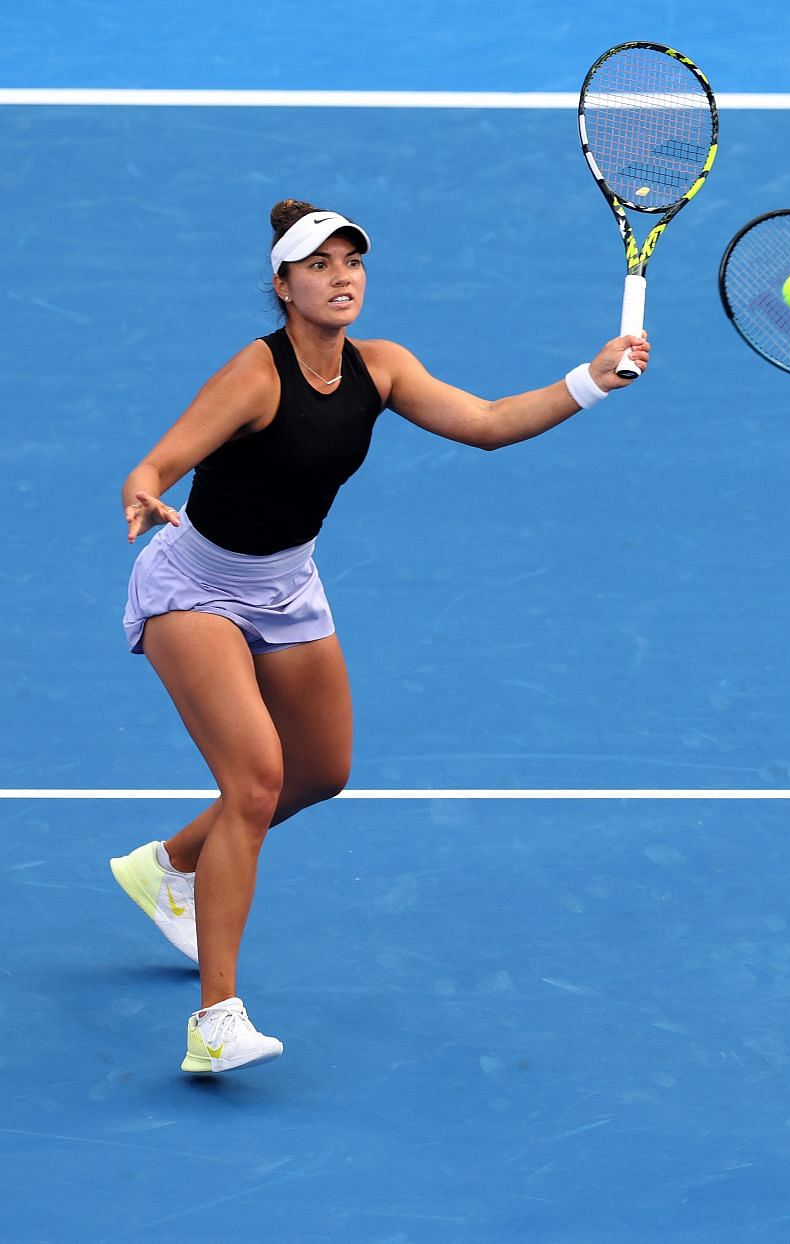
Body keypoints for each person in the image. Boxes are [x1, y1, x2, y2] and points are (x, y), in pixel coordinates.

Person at [110, 199, 646, 1074]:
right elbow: (160, 462)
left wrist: (590, 378)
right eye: (319, 266)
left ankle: (170, 867)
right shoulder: (255, 373)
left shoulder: (383, 369)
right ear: (283, 286)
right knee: (256, 780)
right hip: (196, 586)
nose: (341, 276)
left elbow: (486, 423)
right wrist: (142, 488)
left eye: (352, 262)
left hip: (287, 585)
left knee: (322, 772)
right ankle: (216, 1019)